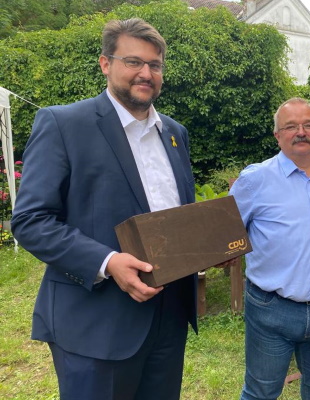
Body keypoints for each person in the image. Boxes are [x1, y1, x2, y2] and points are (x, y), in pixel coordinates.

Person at [11, 18, 197, 400]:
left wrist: (205, 248)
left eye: (155, 65)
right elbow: (30, 220)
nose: (146, 73)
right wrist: (108, 262)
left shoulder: (175, 134)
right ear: (105, 64)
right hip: (95, 323)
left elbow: (177, 218)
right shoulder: (64, 123)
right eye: (133, 62)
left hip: (169, 318)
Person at [229, 97, 310, 400]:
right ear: (277, 135)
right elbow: (225, 236)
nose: (300, 132)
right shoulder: (254, 180)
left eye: (308, 125)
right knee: (260, 392)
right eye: (290, 126)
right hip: (271, 310)